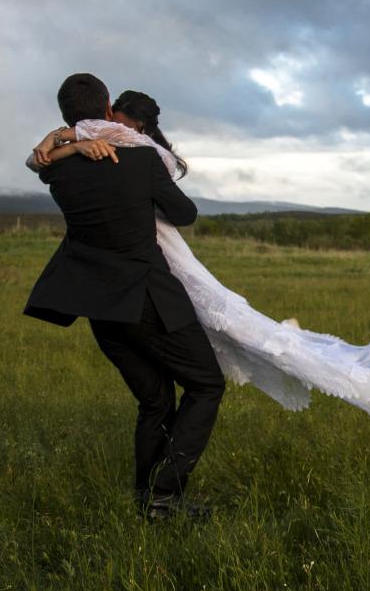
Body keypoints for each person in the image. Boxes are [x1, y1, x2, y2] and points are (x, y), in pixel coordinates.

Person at [28, 89, 370, 418]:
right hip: (141, 260)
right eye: (113, 121)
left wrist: (63, 136)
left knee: (223, 314)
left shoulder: (138, 149)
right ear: (108, 109)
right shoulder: (110, 143)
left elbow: (56, 154)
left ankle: (305, 356)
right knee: (200, 334)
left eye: (122, 124)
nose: (115, 129)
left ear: (136, 126)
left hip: (159, 249)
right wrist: (71, 142)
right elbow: (45, 157)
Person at [23, 73, 224, 523]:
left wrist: (64, 142)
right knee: (207, 385)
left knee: (155, 401)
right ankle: (164, 497)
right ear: (109, 105)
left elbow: (39, 162)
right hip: (150, 299)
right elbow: (184, 213)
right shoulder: (140, 160)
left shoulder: (56, 169)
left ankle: (147, 500)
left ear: (64, 116)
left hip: (100, 306)